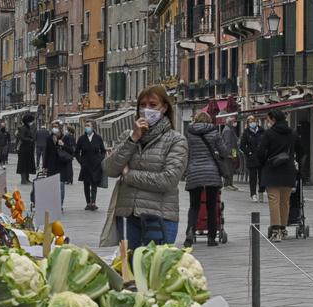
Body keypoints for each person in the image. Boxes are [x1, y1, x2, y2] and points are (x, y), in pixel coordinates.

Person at [100, 85, 186, 248]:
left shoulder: (176, 140)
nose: (147, 109)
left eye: (153, 105)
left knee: (154, 269)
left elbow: (167, 180)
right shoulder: (127, 136)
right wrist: (133, 139)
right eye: (142, 105)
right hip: (127, 216)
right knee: (130, 269)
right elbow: (109, 169)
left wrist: (129, 175)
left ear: (164, 108)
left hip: (159, 216)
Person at [183, 110, 226, 247]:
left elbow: (185, 152)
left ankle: (190, 230)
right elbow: (224, 151)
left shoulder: (189, 134)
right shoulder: (214, 133)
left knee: (194, 205)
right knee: (211, 206)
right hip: (211, 172)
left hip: (194, 171)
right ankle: (211, 238)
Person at [258, 109, 300, 242]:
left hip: (272, 170)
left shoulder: (269, 133)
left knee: (274, 201)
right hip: (288, 170)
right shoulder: (293, 133)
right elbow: (301, 151)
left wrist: (264, 164)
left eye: (269, 120)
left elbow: (260, 152)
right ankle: (283, 228)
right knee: (285, 201)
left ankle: (275, 230)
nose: (269, 123)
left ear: (273, 120)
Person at [77, 120, 107, 210]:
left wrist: (100, 160)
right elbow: (76, 152)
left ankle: (93, 202)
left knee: (94, 184)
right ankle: (88, 202)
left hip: (96, 165)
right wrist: (81, 161)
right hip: (85, 165)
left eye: (88, 125)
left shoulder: (98, 138)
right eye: (85, 125)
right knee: (86, 184)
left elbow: (103, 151)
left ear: (93, 127)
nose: (86, 127)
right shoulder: (82, 138)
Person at [241, 115, 266, 201]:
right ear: (248, 124)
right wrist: (248, 152)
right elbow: (242, 145)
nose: (252, 123)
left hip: (261, 157)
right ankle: (253, 194)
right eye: (250, 122)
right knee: (253, 177)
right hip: (252, 158)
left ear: (256, 122)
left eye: (253, 121)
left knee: (262, 176)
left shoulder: (262, 131)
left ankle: (261, 192)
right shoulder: (246, 133)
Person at [219, 118, 240, 191]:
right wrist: (229, 153)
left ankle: (230, 183)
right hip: (229, 152)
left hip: (232, 150)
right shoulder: (228, 130)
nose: (235, 123)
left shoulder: (230, 129)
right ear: (230, 122)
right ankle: (227, 184)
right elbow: (227, 142)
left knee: (231, 167)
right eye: (234, 121)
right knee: (228, 168)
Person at [16, 114, 37, 183]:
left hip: (29, 148)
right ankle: (23, 179)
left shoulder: (28, 128)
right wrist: (30, 140)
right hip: (24, 149)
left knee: (28, 163)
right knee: (23, 164)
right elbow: (21, 137)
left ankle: (27, 178)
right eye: (31, 121)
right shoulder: (23, 128)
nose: (32, 122)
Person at [59, 124, 78, 190]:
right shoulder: (73, 136)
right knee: (70, 167)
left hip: (67, 153)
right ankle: (70, 179)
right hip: (71, 153)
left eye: (67, 130)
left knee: (68, 167)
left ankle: (68, 179)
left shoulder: (68, 136)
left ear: (69, 131)